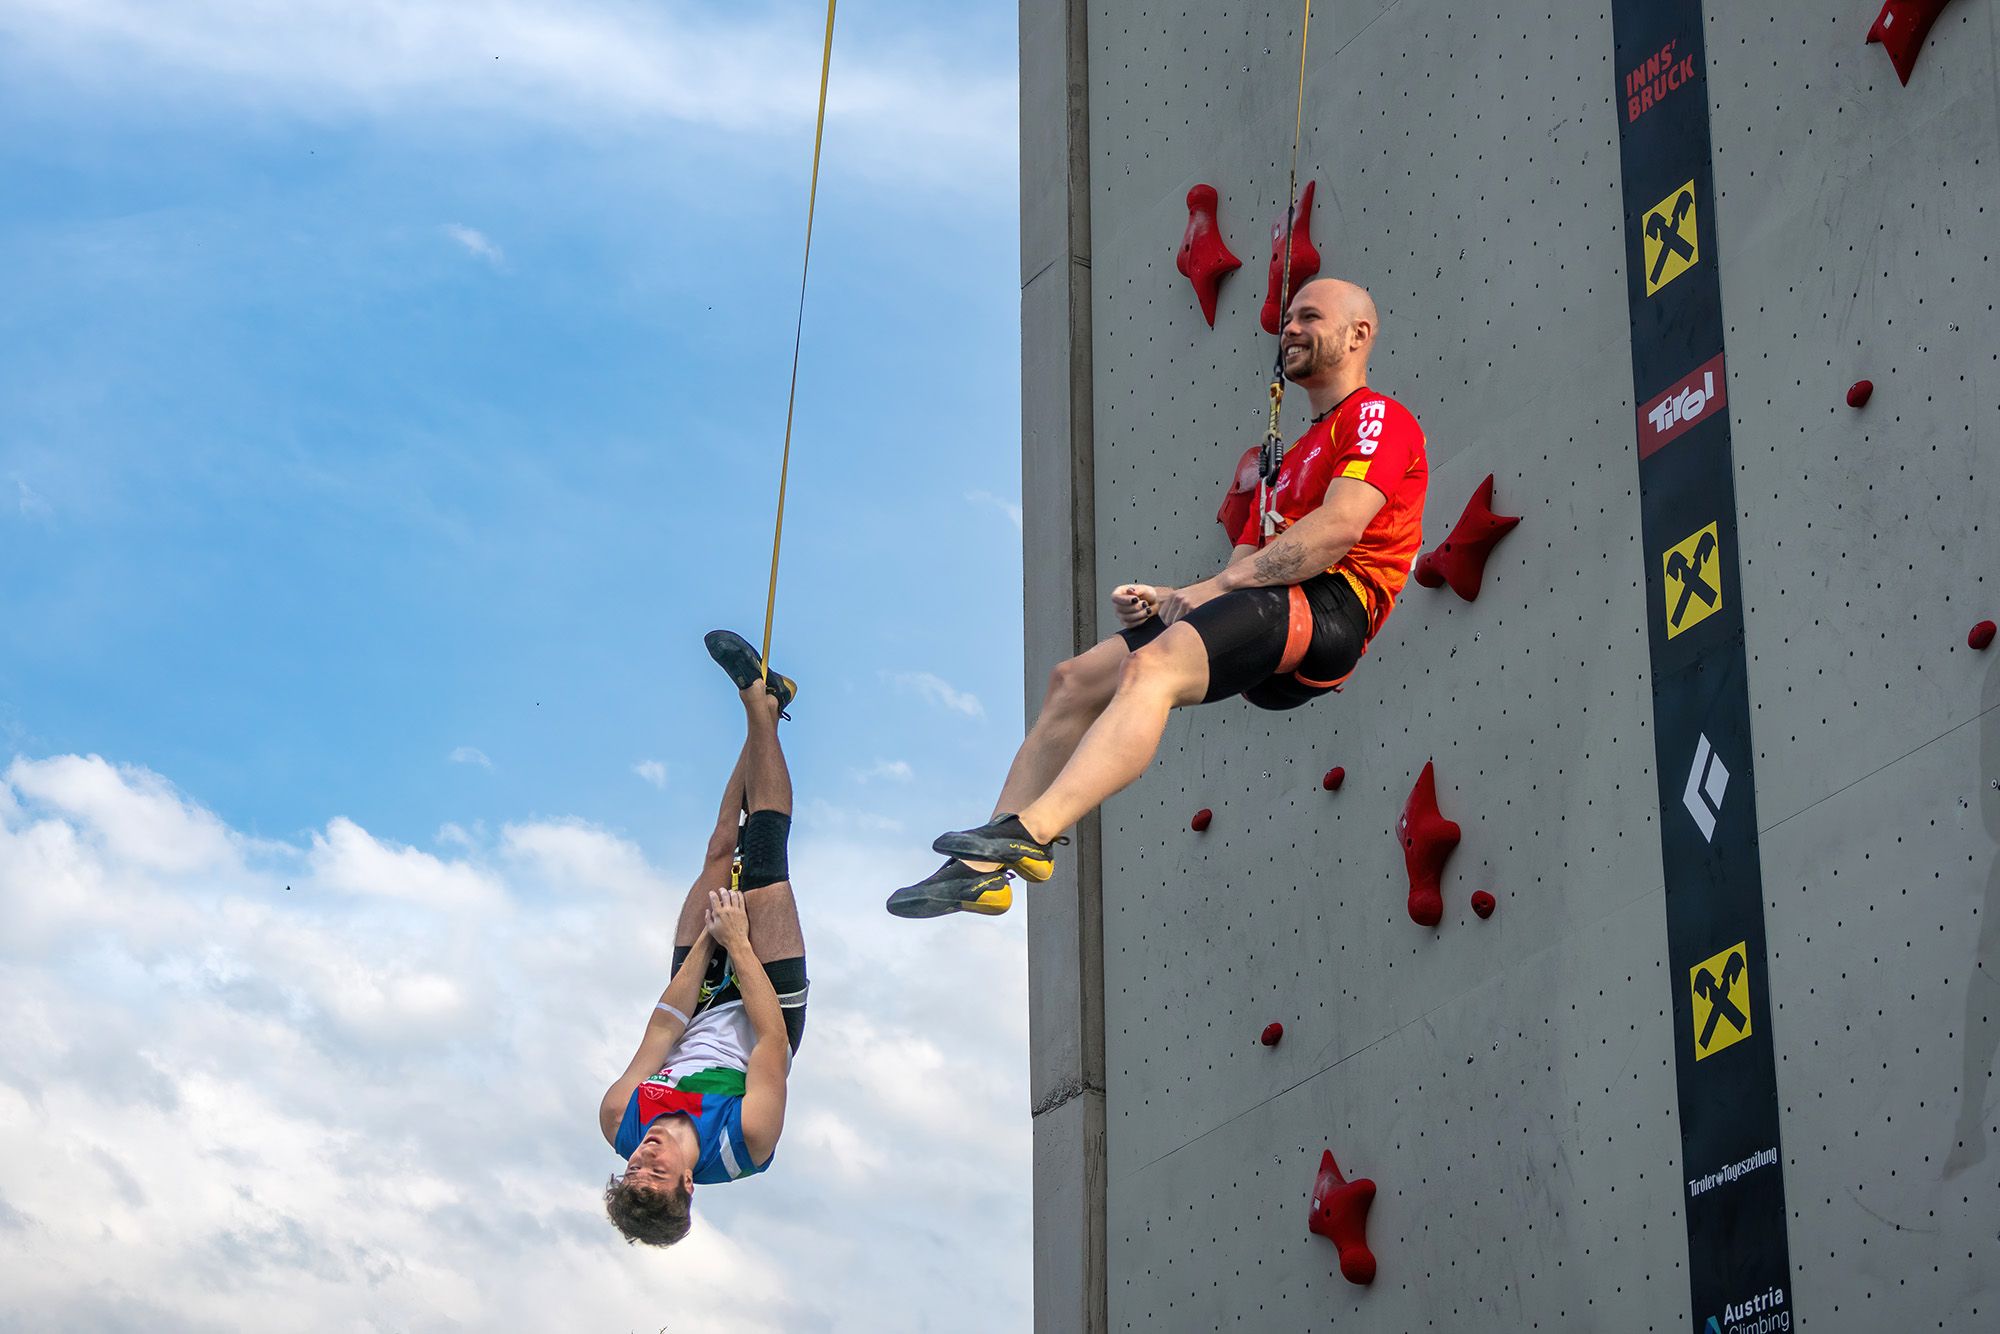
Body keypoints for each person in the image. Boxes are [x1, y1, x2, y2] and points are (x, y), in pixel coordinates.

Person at [888, 277, 1429, 919]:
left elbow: (1338, 530)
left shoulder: (1377, 419)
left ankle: (1030, 836)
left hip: (1335, 609)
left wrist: (1213, 591)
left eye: (1309, 317)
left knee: (1153, 668)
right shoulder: (1270, 460)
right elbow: (1242, 569)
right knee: (1075, 680)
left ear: (1358, 334)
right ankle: (978, 868)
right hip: (1275, 607)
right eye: (1286, 317)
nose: (1288, 328)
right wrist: (1174, 600)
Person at [598, 630, 810, 1245]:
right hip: (767, 1007)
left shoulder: (621, 1119)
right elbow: (772, 1040)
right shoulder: (747, 1139)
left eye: (633, 1165)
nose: (645, 1155)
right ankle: (757, 703)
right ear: (688, 1184)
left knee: (722, 846)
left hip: (691, 1002)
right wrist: (737, 943)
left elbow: (662, 1030)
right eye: (656, 1171)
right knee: (764, 858)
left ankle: (765, 706)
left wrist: (703, 950)